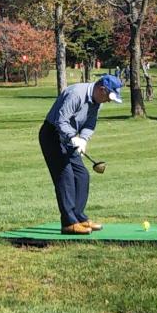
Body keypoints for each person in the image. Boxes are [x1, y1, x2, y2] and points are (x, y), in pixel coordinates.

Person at [39, 73, 122, 234]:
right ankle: (68, 223)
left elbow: (90, 123)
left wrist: (83, 139)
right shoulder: (76, 94)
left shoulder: (98, 101)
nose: (109, 100)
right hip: (52, 135)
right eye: (109, 97)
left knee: (82, 175)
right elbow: (61, 120)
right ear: (101, 89)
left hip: (72, 138)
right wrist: (73, 137)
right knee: (66, 177)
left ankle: (79, 217)